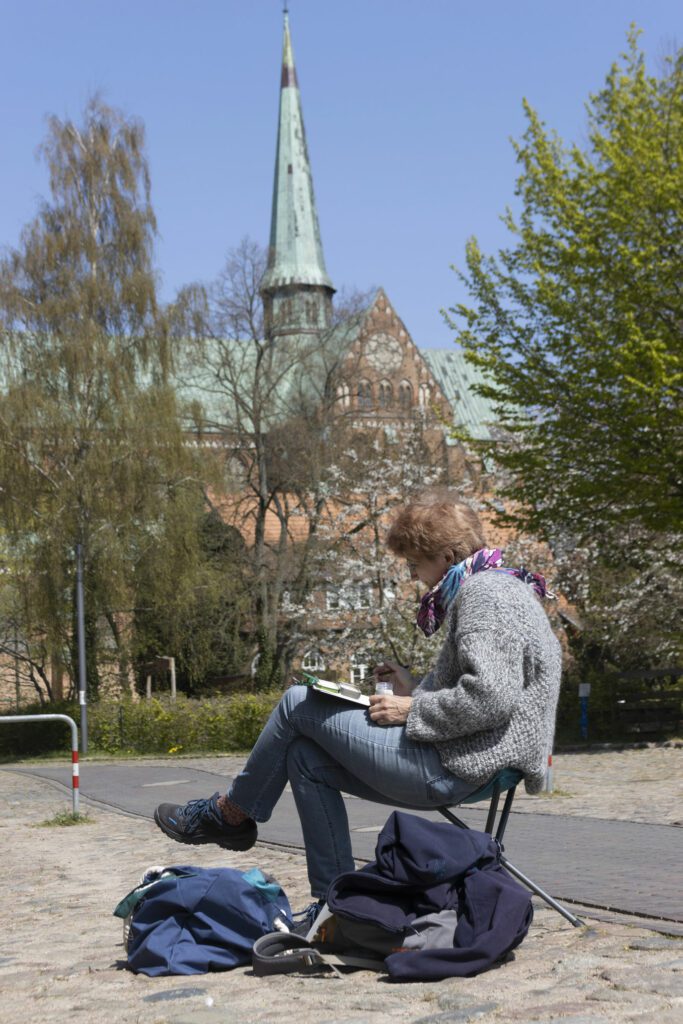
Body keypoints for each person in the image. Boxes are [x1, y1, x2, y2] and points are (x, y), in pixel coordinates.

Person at [154, 495, 561, 920]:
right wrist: (412, 686)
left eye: (415, 565)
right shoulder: (499, 586)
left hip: (458, 766)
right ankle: (335, 905)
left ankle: (231, 814)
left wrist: (409, 711)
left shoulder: (484, 595)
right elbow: (484, 688)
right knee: (304, 755)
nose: (415, 577)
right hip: (469, 758)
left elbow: (490, 697)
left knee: (297, 702)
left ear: (447, 555)